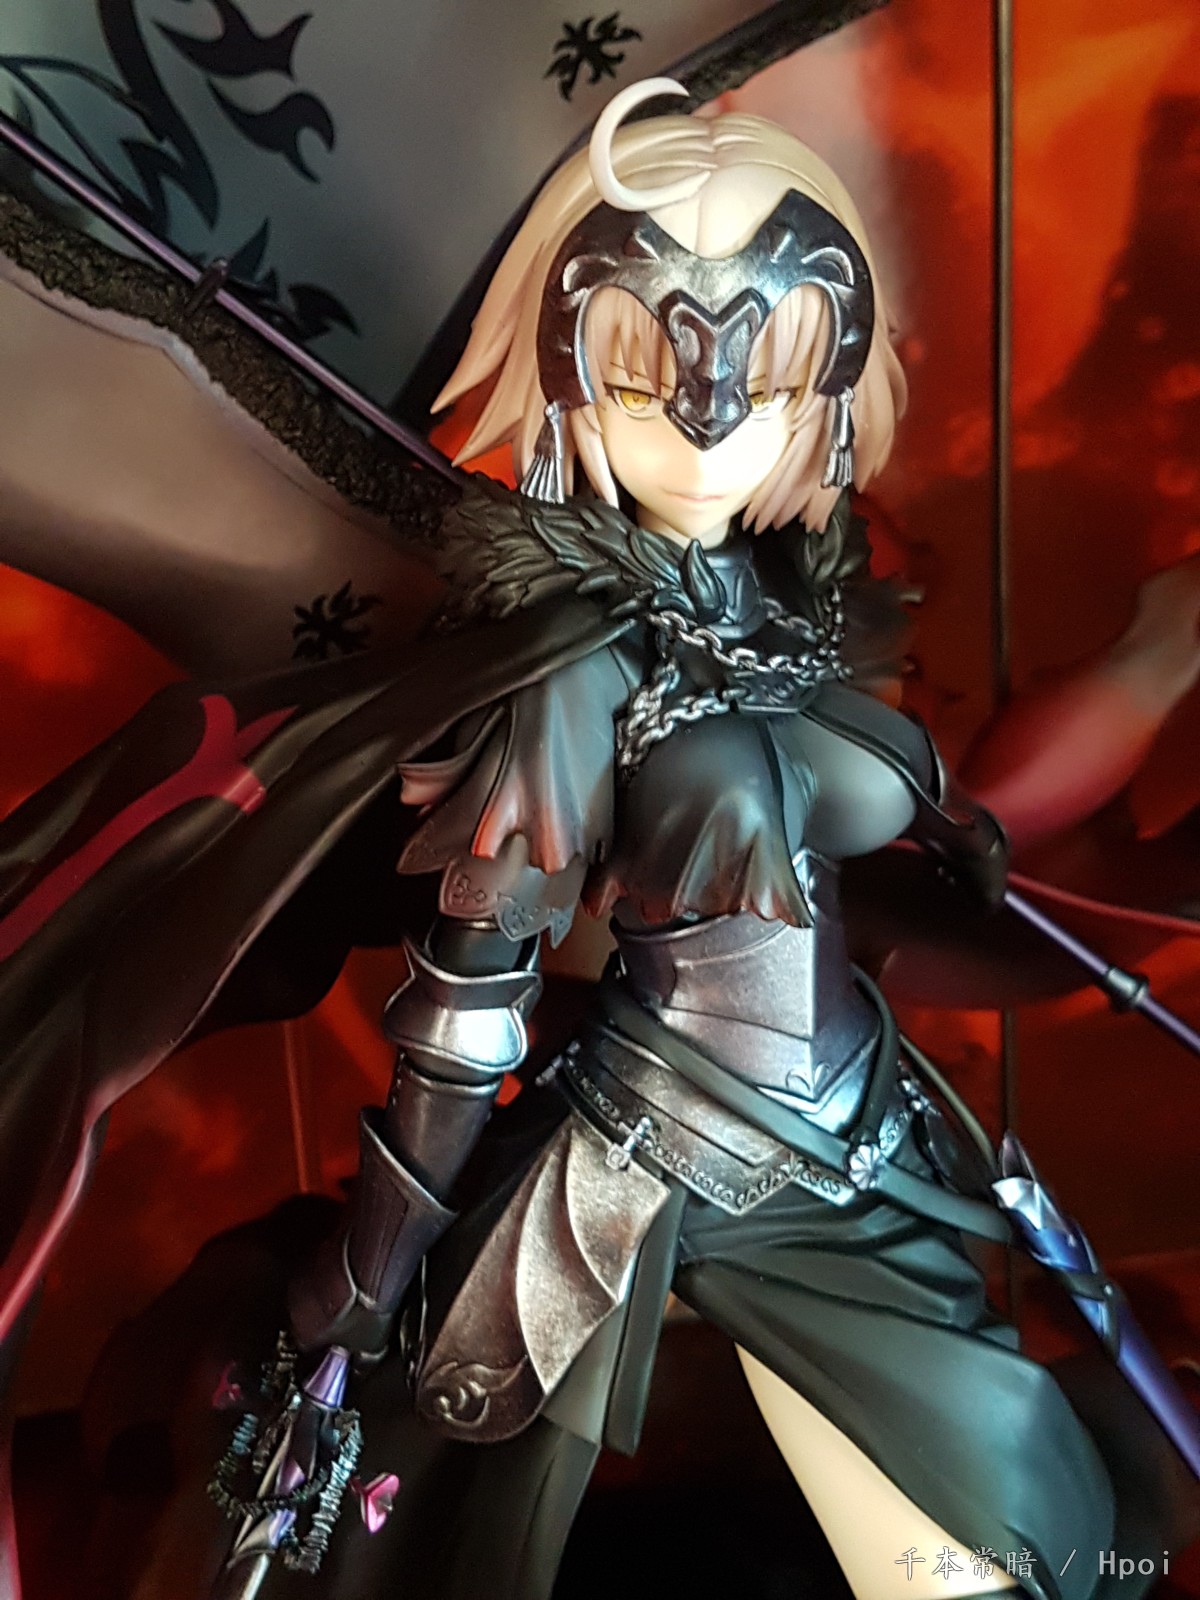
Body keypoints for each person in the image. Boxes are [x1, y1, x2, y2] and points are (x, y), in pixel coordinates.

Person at [199, 80, 1196, 1600]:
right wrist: (368, 1270)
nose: (712, 420)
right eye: (641, 368)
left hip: (868, 1129)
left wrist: (955, 831)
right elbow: (471, 1002)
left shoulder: (780, 603)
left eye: (774, 370)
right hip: (686, 1164)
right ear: (571, 376)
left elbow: (832, 793)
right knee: (995, 1538)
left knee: (1042, 1515)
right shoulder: (568, 667)